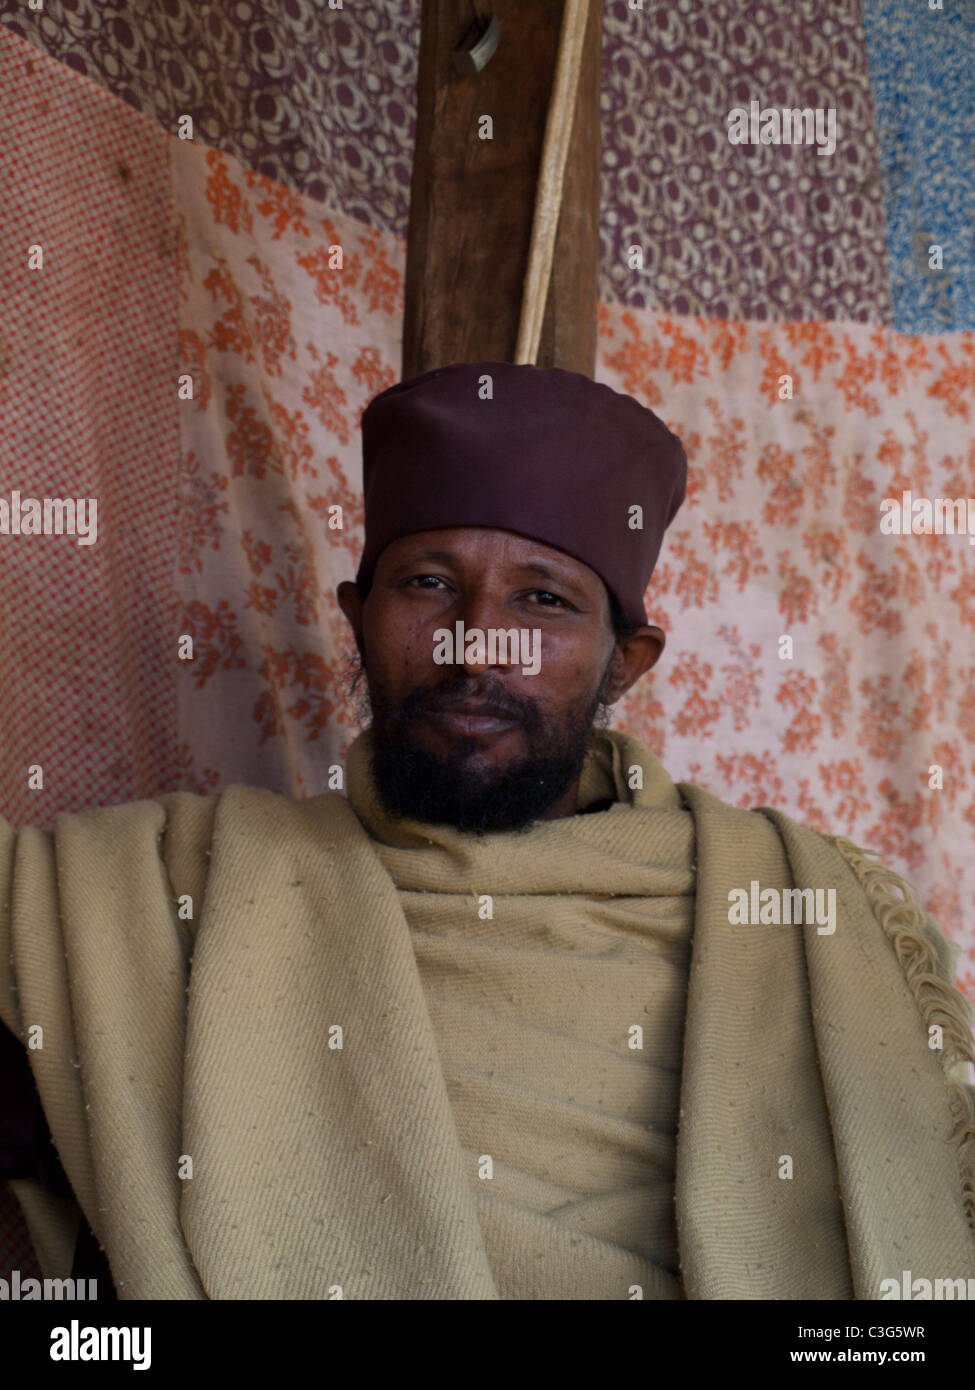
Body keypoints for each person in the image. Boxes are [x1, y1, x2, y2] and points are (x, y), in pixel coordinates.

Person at [1, 361, 973, 1301]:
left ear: (626, 659)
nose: (478, 641)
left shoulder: (805, 912)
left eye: (543, 599)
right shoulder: (173, 889)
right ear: (357, 615)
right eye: (428, 582)